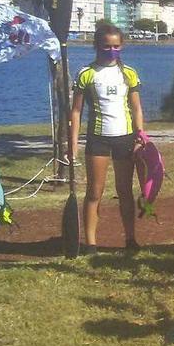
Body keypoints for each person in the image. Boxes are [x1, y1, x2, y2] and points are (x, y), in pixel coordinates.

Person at [69, 23, 146, 253]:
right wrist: (73, 143)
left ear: (121, 46)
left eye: (116, 46)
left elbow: (136, 108)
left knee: (124, 191)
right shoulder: (86, 74)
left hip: (125, 138)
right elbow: (76, 111)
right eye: (106, 46)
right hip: (98, 139)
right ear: (96, 46)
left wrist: (140, 134)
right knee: (95, 191)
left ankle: (130, 239)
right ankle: (90, 244)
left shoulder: (128, 73)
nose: (111, 50)